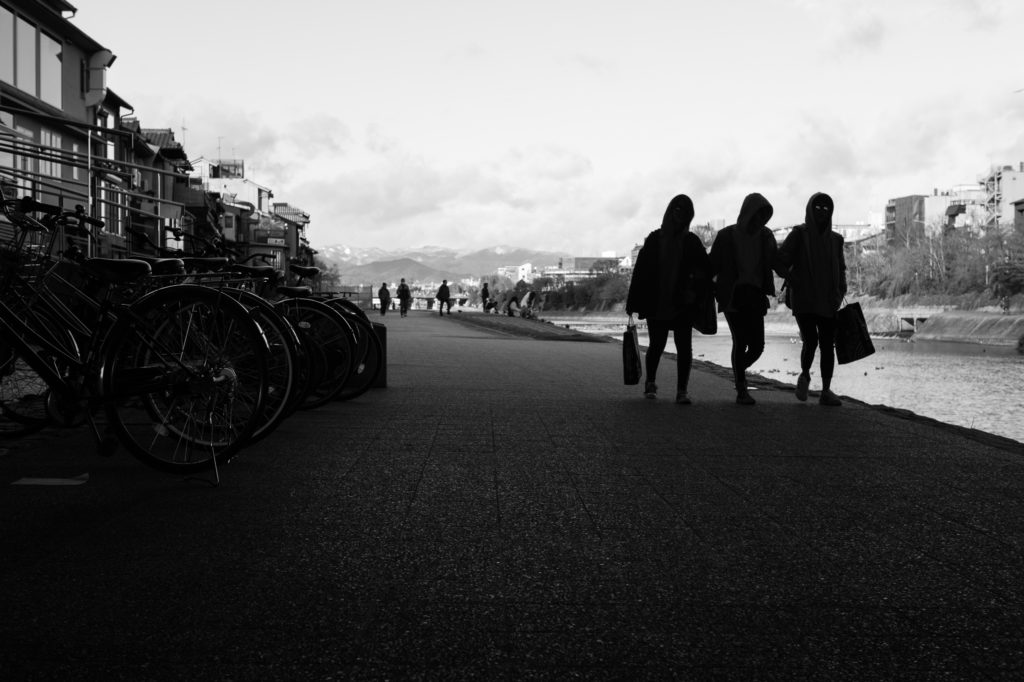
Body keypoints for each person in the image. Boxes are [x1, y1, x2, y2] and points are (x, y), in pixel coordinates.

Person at [625, 194, 712, 404]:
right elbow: (641, 272)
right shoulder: (655, 239)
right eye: (677, 209)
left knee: (684, 347)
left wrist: (696, 290)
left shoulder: (691, 241)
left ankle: (682, 391)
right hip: (657, 301)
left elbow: (706, 269)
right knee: (657, 345)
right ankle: (651, 383)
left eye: (685, 211)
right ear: (670, 211)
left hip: (683, 302)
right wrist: (632, 302)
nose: (680, 214)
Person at [775, 192, 847, 406]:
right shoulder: (798, 234)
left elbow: (841, 269)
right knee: (811, 340)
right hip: (804, 299)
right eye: (818, 208)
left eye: (826, 208)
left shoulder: (836, 240)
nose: (822, 212)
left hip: (828, 300)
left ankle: (825, 390)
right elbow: (779, 261)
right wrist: (793, 279)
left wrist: (840, 291)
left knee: (827, 344)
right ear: (809, 210)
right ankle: (805, 375)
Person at [710, 192, 778, 405]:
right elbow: (712, 265)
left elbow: (776, 261)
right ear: (747, 213)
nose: (760, 220)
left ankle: (738, 371)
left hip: (756, 295)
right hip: (733, 295)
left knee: (757, 346)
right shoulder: (726, 236)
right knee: (740, 342)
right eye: (757, 215)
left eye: (764, 216)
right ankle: (741, 388)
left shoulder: (766, 236)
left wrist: (794, 275)